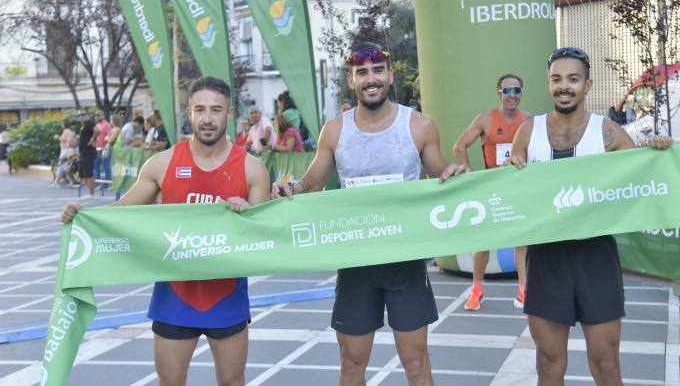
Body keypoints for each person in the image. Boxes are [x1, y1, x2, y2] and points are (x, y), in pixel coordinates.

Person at [271, 42, 466, 386]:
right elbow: (311, 183)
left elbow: (441, 175)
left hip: (404, 260)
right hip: (356, 261)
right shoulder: (335, 130)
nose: (371, 79)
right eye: (362, 73)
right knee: (351, 364)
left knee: (416, 364)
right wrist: (291, 188)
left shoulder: (419, 125)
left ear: (390, 76)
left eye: (378, 71)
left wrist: (455, 173)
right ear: (351, 80)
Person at [61, 76, 270, 386]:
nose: (208, 118)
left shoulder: (252, 168)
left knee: (232, 382)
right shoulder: (163, 163)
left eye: (216, 110)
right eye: (200, 109)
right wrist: (84, 216)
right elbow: (120, 214)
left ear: (229, 113)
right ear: (190, 112)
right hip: (175, 297)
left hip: (226, 296)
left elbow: (265, 240)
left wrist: (247, 215)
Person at [504, 47, 673, 386]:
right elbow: (511, 184)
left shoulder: (607, 132)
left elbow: (643, 177)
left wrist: (659, 152)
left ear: (588, 85)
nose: (564, 86)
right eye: (557, 79)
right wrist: (510, 168)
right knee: (549, 363)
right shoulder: (528, 130)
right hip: (547, 257)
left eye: (573, 79)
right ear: (548, 84)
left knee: (607, 365)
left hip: (595, 256)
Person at [453, 74, 531, 311]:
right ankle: (477, 290)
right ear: (499, 93)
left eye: (517, 90)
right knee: (483, 242)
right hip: (491, 188)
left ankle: (523, 291)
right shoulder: (486, 119)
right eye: (507, 91)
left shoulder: (528, 120)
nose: (513, 95)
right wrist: (469, 171)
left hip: (518, 187)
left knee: (523, 241)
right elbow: (459, 146)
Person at [77, 109, 96, 196]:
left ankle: (92, 193)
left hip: (89, 152)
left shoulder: (90, 123)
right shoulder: (83, 125)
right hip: (83, 152)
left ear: (87, 115)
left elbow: (98, 130)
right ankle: (89, 192)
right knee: (83, 175)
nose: (81, 116)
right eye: (79, 115)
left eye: (82, 114)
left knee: (89, 174)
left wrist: (92, 139)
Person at [93, 111, 112, 182]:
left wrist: (107, 146)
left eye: (98, 115)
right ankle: (98, 182)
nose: (96, 117)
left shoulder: (106, 124)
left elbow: (110, 135)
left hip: (105, 149)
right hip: (98, 149)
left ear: (103, 115)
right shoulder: (97, 125)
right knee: (96, 164)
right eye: (95, 115)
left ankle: (107, 183)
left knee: (106, 166)